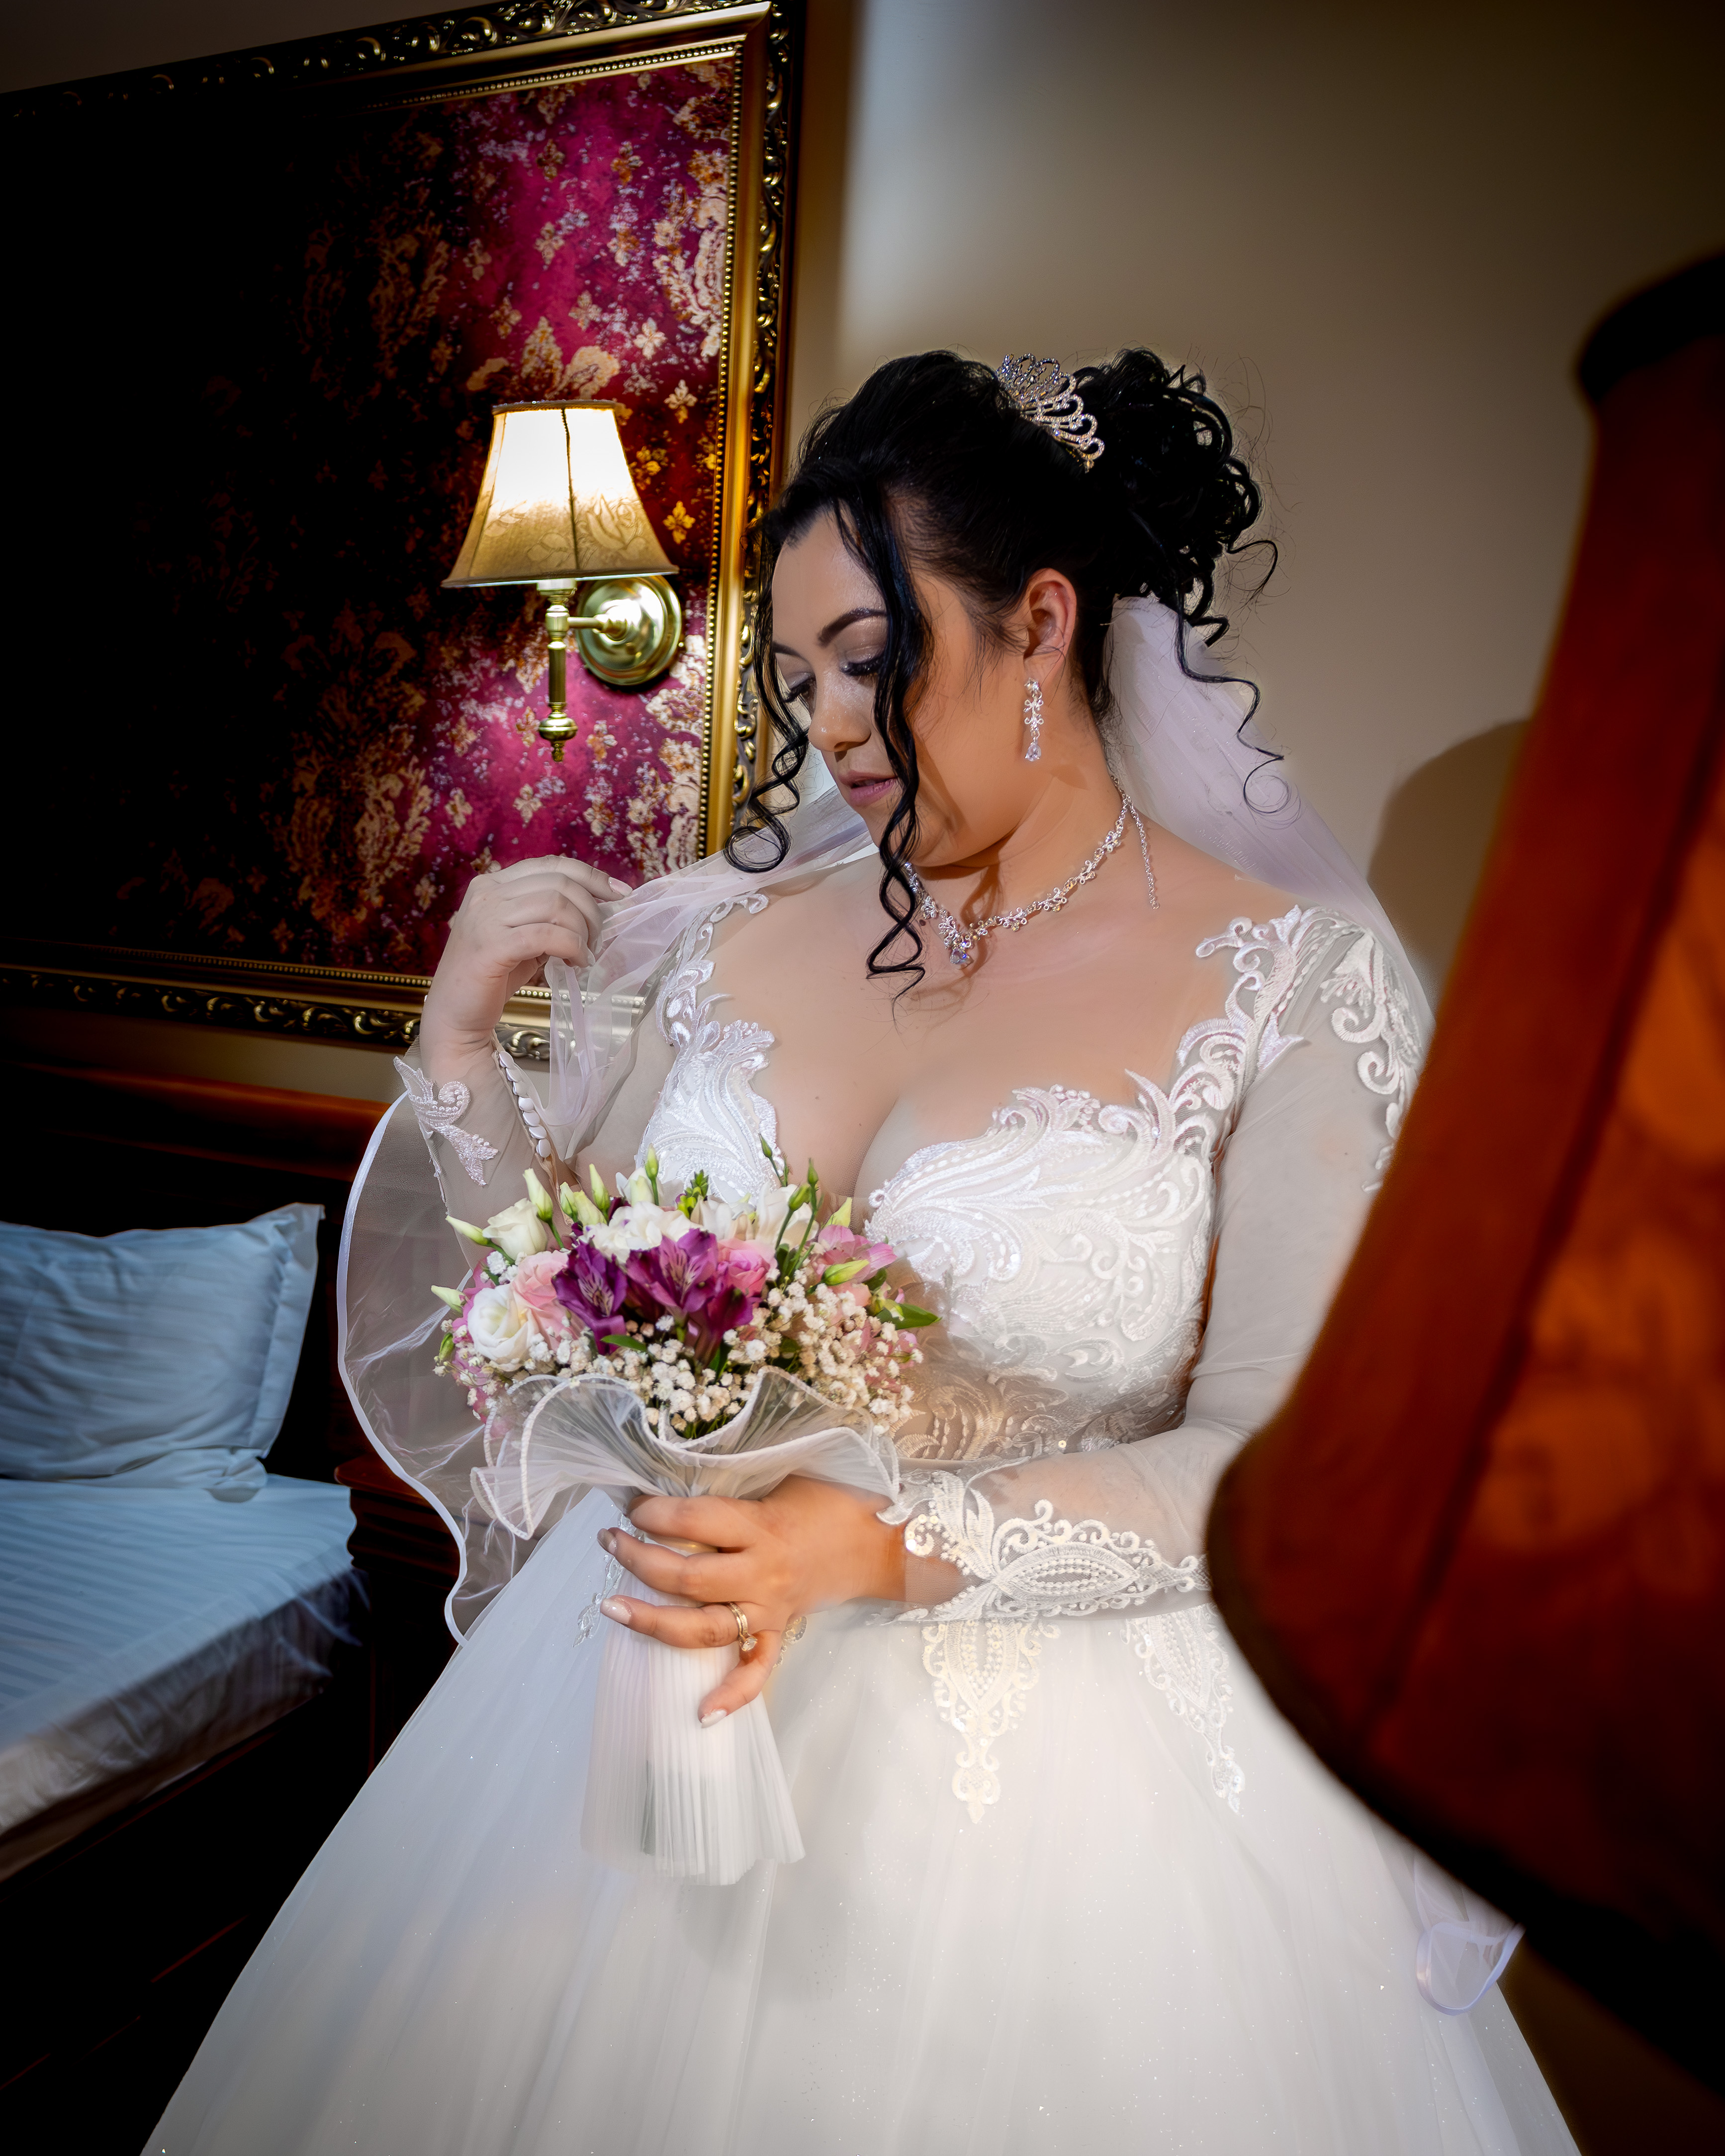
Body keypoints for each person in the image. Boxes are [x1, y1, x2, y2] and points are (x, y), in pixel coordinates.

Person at [151, 351, 1577, 2154]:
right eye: (798, 676)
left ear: (1041, 621)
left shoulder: (1287, 982)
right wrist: (457, 1048)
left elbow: (1270, 1466)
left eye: (867, 656)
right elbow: (564, 1300)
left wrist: (885, 1544)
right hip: (632, 1690)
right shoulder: (729, 935)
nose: (828, 723)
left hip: (1055, 1798)